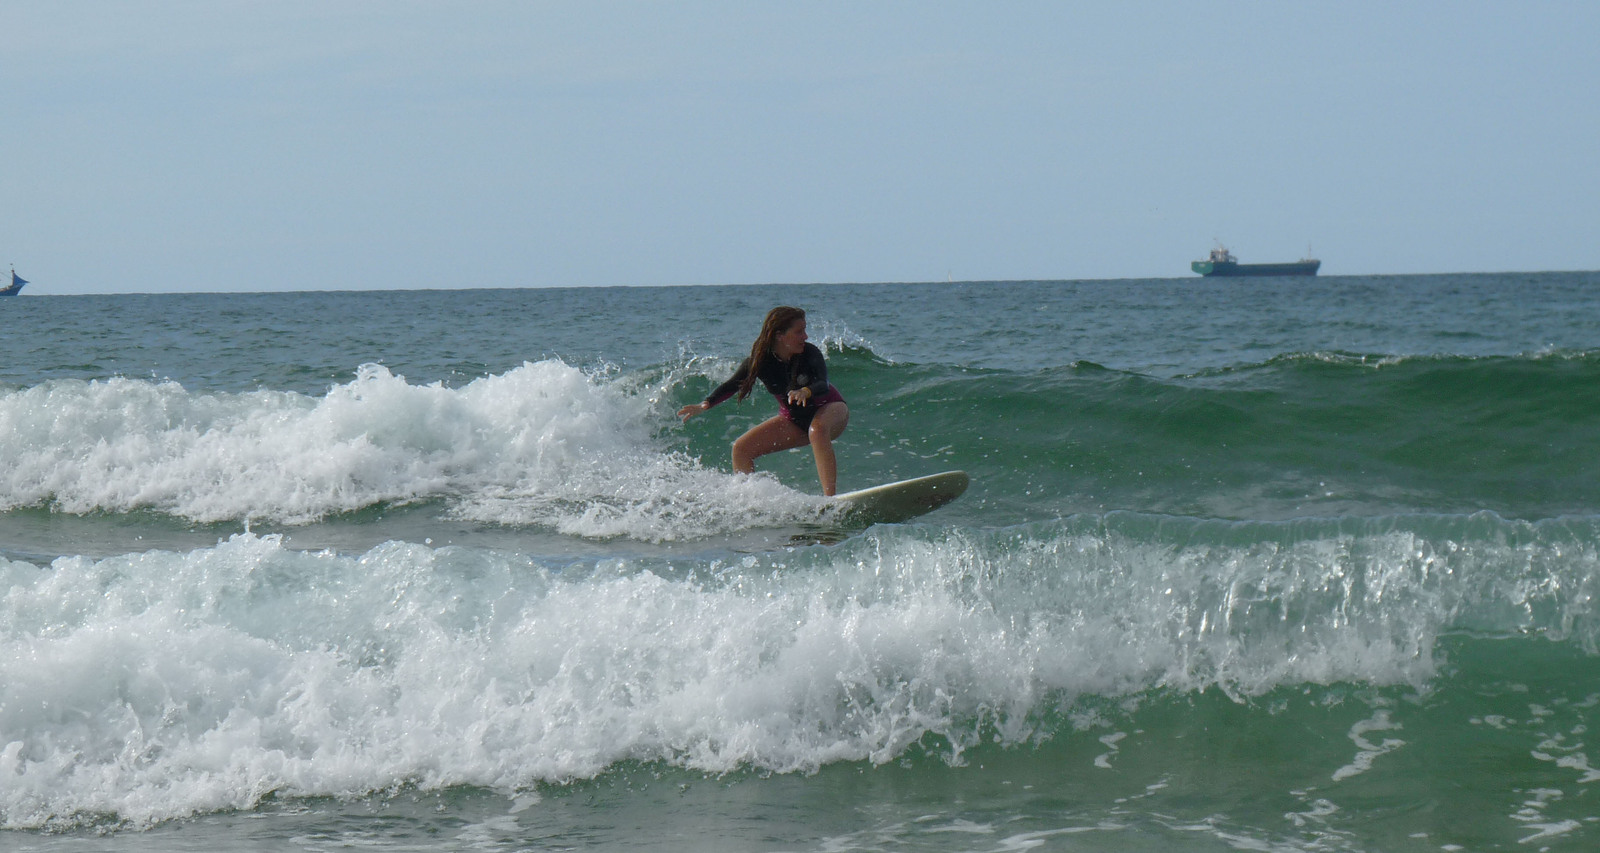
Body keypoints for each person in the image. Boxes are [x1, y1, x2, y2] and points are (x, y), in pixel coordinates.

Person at [678, 306, 850, 496]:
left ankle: (830, 499)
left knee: (817, 430)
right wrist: (706, 404)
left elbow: (822, 383)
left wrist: (806, 391)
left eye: (805, 330)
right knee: (741, 449)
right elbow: (732, 384)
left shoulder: (810, 353)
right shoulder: (760, 362)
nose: (806, 336)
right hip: (794, 420)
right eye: (799, 332)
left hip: (830, 409)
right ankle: (751, 503)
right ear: (780, 336)